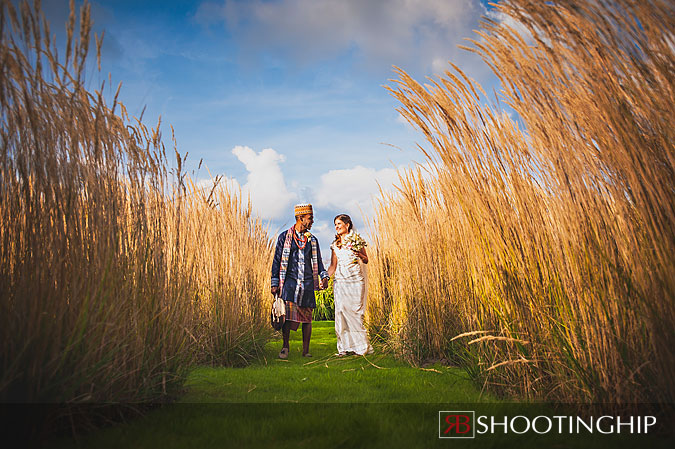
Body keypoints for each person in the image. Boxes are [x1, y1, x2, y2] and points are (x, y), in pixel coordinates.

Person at [271, 204, 329, 359]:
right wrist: (274, 283)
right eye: (310, 218)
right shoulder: (284, 237)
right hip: (289, 282)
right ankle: (285, 347)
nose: (312, 222)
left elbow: (319, 262)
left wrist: (324, 277)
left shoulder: (313, 240)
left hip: (308, 283)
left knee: (307, 318)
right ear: (300, 218)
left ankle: (306, 351)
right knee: (287, 317)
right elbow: (277, 260)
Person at [326, 214, 373, 356]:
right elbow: (333, 266)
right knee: (340, 312)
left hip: (355, 280)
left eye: (339, 223)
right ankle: (344, 347)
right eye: (335, 224)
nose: (337, 227)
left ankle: (361, 347)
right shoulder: (335, 245)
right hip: (340, 281)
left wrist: (359, 254)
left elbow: (366, 260)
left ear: (347, 225)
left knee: (355, 313)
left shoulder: (356, 240)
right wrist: (324, 278)